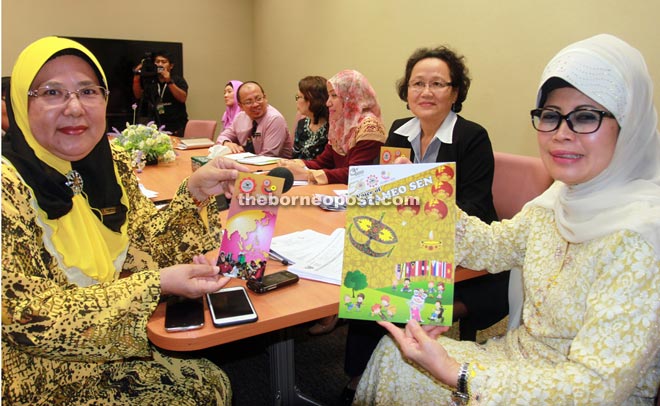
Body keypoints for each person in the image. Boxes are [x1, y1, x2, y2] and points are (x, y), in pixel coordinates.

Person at [354, 34, 660, 405]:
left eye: (585, 117)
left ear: (630, 127)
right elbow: (495, 246)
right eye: (551, 116)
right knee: (393, 354)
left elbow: (598, 387)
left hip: (573, 392)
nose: (562, 134)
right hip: (518, 359)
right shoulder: (557, 201)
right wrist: (423, 201)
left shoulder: (641, 238)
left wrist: (457, 372)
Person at [2, 36, 251, 404]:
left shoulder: (109, 163)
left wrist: (196, 191)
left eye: (88, 91)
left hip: (117, 352)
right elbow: (27, 318)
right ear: (20, 105)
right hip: (44, 377)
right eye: (52, 93)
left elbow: (146, 242)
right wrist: (154, 286)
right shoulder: (7, 188)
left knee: (210, 382)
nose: (74, 108)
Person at [340, 45, 506, 404]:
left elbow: (474, 207)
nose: (426, 92)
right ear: (406, 91)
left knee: (392, 288)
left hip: (463, 253)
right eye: (417, 83)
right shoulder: (400, 130)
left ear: (455, 92)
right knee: (371, 269)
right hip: (408, 241)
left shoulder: (472, 136)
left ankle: (388, 363)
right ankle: (360, 376)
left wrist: (414, 214)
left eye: (437, 84)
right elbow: (386, 192)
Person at [280, 69, 386, 185]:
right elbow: (323, 162)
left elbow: (355, 174)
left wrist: (306, 175)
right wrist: (296, 164)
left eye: (334, 95)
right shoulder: (340, 125)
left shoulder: (370, 127)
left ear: (350, 97)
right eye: (329, 96)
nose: (328, 103)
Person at [215, 81, 293, 157]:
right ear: (241, 106)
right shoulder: (240, 118)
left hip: (274, 166)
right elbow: (222, 137)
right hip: (250, 164)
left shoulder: (274, 119)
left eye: (259, 99)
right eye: (249, 102)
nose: (255, 104)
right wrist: (226, 143)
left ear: (265, 98)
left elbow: (268, 156)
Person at [132, 50, 189, 136]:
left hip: (177, 127)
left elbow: (182, 98)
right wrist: (136, 77)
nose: (160, 64)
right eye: (157, 62)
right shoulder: (151, 81)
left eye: (164, 62)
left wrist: (169, 81)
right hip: (156, 127)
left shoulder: (177, 79)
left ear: (171, 66)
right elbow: (138, 96)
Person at [293, 75, 329, 159]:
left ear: (311, 100)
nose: (297, 101)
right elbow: (295, 155)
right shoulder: (302, 124)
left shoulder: (332, 128)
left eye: (299, 97)